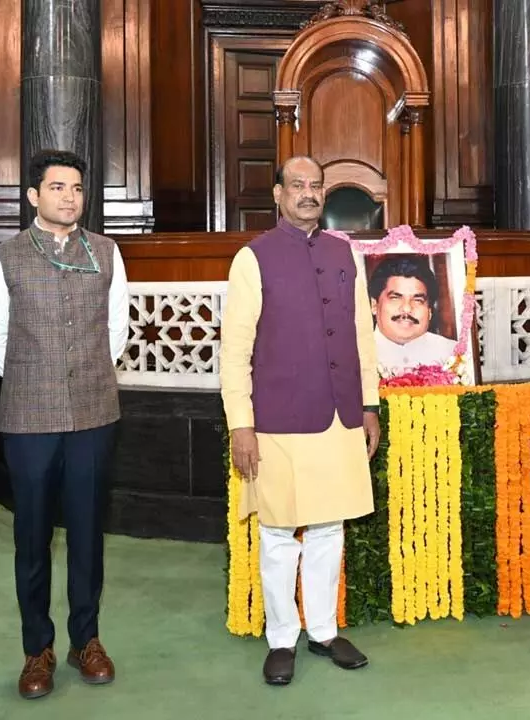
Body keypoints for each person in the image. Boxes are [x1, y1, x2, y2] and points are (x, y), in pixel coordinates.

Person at [220, 155, 380, 686]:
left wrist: (369, 406)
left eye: (316, 186)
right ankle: (282, 637)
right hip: (279, 419)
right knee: (279, 532)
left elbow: (361, 335)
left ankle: (324, 632)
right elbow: (235, 349)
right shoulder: (253, 257)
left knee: (330, 527)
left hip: (339, 414)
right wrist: (241, 424)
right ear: (277, 193)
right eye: (298, 185)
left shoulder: (344, 254)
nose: (308, 193)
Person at [0, 149, 129, 699]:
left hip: (94, 412)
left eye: (77, 188)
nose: (70, 196)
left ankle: (85, 639)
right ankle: (36, 649)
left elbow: (118, 333)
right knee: (32, 535)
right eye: (58, 187)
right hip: (28, 414)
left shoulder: (108, 253)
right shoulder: (5, 258)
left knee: (88, 533)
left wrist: (81, 377)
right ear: (33, 196)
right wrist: (39, 380)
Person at [369, 255, 458, 371]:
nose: (406, 308)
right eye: (395, 298)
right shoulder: (352, 356)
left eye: (418, 300)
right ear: (374, 305)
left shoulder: (454, 355)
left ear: (430, 311)